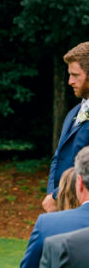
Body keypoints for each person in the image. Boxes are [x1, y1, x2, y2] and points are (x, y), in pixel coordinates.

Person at [42, 42, 89, 212]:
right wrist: (52, 196)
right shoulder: (73, 113)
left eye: (75, 75)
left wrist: (57, 195)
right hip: (63, 205)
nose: (70, 81)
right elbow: (58, 157)